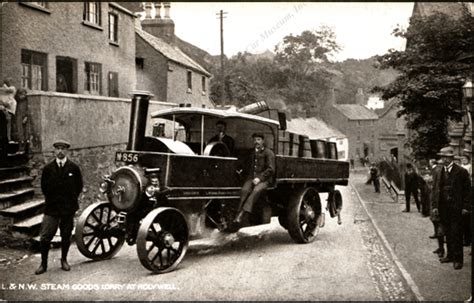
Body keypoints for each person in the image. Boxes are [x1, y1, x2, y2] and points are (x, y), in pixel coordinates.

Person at [35, 140, 83, 275]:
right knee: (45, 237)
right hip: (52, 208)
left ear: (67, 151)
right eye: (58, 149)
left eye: (63, 149)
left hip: (68, 208)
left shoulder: (73, 168)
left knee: (66, 235)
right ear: (54, 151)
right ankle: (43, 264)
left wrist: (71, 201)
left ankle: (64, 260)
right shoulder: (48, 169)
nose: (60, 151)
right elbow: (44, 187)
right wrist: (53, 200)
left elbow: (79, 186)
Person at [432, 146, 470, 270]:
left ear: (451, 158)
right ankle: (450, 255)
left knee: (456, 233)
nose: (444, 159)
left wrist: (465, 206)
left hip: (457, 208)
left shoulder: (461, 172)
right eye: (442, 157)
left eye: (446, 157)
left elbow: (467, 191)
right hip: (443, 208)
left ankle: (458, 259)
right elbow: (435, 189)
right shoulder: (439, 171)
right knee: (447, 233)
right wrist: (435, 206)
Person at [234, 132, 275, 224]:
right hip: (251, 178)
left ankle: (242, 213)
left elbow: (271, 169)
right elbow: (246, 164)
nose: (256, 142)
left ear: (263, 141)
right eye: (255, 140)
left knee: (256, 191)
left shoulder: (268, 153)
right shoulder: (251, 152)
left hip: (264, 180)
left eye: (258, 140)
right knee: (244, 190)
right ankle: (238, 213)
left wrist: (260, 178)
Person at [429, 159, 446, 258]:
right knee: (438, 227)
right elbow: (435, 189)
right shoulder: (437, 173)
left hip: (446, 205)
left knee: (444, 230)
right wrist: (434, 204)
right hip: (437, 203)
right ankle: (441, 248)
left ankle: (447, 252)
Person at [460, 154, 472, 247]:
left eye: (465, 159)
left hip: (468, 189)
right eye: (462, 159)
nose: (463, 160)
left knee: (467, 219)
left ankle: (467, 239)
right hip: (461, 192)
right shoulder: (461, 167)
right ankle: (464, 237)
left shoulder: (470, 167)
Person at [0, 77, 17, 142]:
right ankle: (6, 137)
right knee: (5, 124)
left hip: (10, 109)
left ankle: (9, 138)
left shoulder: (12, 89)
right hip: (4, 109)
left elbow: (7, 90)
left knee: (9, 124)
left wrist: (4, 87)